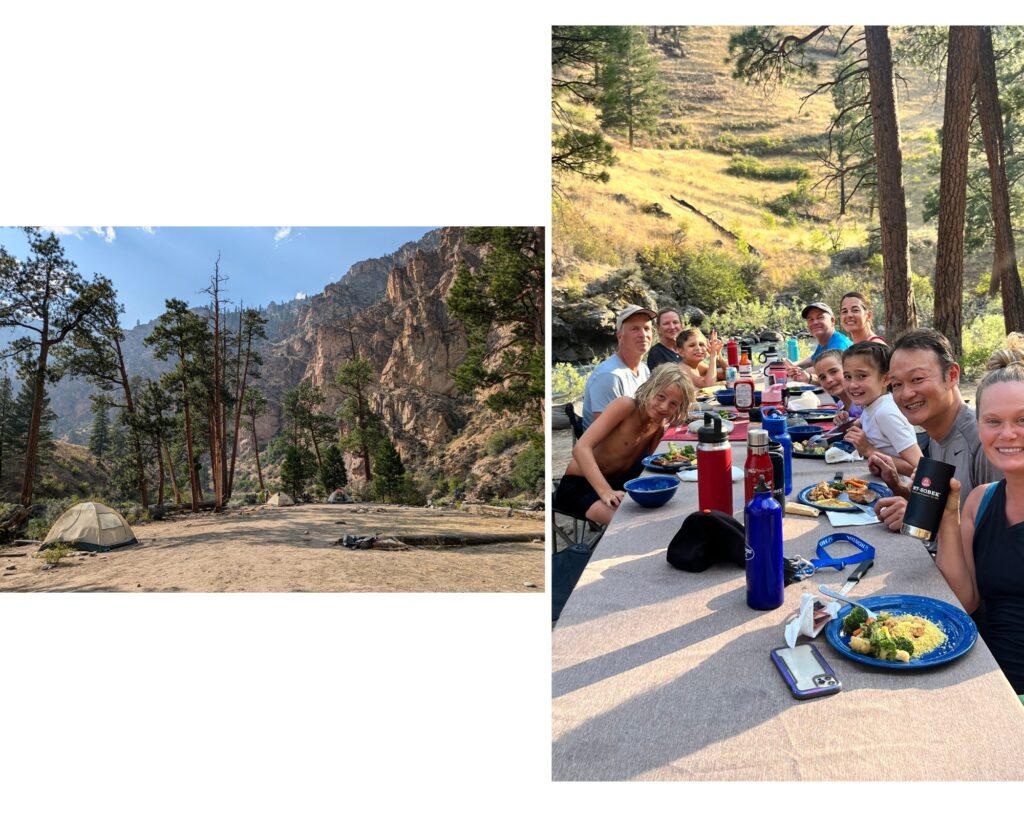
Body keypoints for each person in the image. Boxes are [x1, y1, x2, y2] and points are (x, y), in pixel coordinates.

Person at [935, 345, 1024, 698]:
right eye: (993, 421)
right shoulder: (980, 501)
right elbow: (965, 600)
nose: (1007, 434)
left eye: (1022, 420)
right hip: (981, 677)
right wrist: (947, 515)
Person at [873, 328, 1003, 532]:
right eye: (896, 384)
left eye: (917, 379)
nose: (906, 394)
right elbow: (944, 508)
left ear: (952, 375)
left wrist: (916, 519)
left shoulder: (985, 442)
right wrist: (899, 489)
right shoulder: (936, 435)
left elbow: (998, 538)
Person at [555, 365, 695, 526]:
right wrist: (605, 491)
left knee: (671, 511)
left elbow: (654, 465)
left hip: (620, 482)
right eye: (661, 397)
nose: (664, 406)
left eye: (673, 404)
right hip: (579, 486)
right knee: (630, 522)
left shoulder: (659, 423)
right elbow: (580, 448)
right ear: (650, 387)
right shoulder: (625, 406)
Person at [841, 341, 922, 476]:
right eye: (847, 377)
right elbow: (858, 425)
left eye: (862, 376)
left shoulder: (885, 413)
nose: (853, 385)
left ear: (885, 379)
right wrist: (844, 423)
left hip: (901, 486)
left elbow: (918, 468)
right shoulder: (872, 405)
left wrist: (869, 450)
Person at [581, 305, 655, 431]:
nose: (643, 334)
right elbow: (606, 432)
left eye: (647, 328)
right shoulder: (609, 376)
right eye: (635, 329)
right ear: (620, 336)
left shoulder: (644, 369)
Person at [785, 302, 852, 384]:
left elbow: (822, 370)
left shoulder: (839, 344)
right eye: (811, 319)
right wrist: (794, 366)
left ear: (832, 320)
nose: (815, 322)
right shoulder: (824, 341)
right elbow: (812, 359)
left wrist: (794, 371)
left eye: (820, 317)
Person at [812, 348, 860, 423]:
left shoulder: (862, 405)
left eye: (834, 371)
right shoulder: (840, 405)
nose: (829, 380)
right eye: (823, 377)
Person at [646, 307, 684, 372]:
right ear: (658, 328)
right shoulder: (657, 353)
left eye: (675, 322)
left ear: (681, 325)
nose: (672, 327)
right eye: (666, 323)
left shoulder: (686, 348)